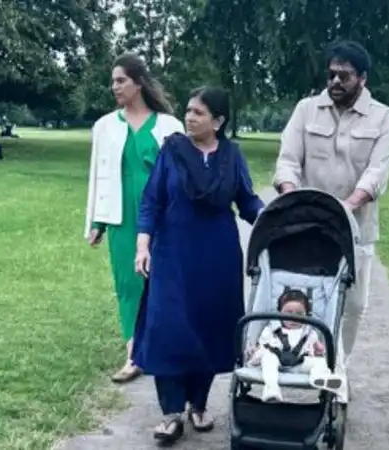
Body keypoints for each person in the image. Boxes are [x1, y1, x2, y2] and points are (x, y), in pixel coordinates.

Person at [131, 86, 265, 445]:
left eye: (199, 113)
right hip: (172, 255)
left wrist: (278, 222)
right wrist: (143, 244)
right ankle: (171, 412)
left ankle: (199, 404)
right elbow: (151, 201)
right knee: (170, 329)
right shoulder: (172, 151)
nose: (189, 117)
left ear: (218, 121)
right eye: (188, 110)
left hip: (217, 257)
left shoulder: (232, 156)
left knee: (209, 328)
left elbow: (248, 202)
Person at [272, 40, 389, 385]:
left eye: (344, 75)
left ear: (363, 78)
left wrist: (349, 204)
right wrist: (290, 195)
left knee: (353, 305)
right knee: (302, 296)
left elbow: (377, 172)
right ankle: (292, 359)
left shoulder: (382, 117)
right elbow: (287, 159)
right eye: (331, 74)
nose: (335, 82)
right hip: (307, 226)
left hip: (356, 227)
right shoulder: (306, 109)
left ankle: (335, 366)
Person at [83, 52, 184, 384]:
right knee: (128, 284)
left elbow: (182, 176)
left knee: (162, 281)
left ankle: (163, 345)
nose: (115, 87)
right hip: (121, 214)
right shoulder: (105, 126)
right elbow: (98, 176)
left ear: (138, 82)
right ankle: (133, 354)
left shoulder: (169, 125)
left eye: (120, 80)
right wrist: (96, 222)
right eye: (113, 81)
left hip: (162, 213)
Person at [247, 289, 345, 403]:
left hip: (299, 363)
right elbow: (263, 346)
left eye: (299, 314)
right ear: (279, 312)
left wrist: (318, 351)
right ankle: (271, 390)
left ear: (306, 315)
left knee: (320, 363)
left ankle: (319, 378)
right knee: (268, 358)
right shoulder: (272, 330)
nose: (294, 317)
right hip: (277, 363)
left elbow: (312, 351)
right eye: (288, 312)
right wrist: (256, 350)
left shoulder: (309, 332)